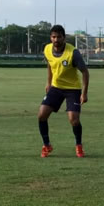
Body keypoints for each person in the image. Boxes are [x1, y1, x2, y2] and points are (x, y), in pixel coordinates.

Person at [38, 25, 89, 158]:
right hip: (56, 87)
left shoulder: (73, 53)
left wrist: (84, 93)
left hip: (73, 89)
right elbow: (49, 64)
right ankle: (47, 145)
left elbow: (85, 72)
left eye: (59, 37)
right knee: (42, 115)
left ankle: (78, 146)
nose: (56, 39)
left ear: (64, 38)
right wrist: (48, 83)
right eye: (53, 37)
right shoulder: (47, 49)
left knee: (74, 119)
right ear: (50, 38)